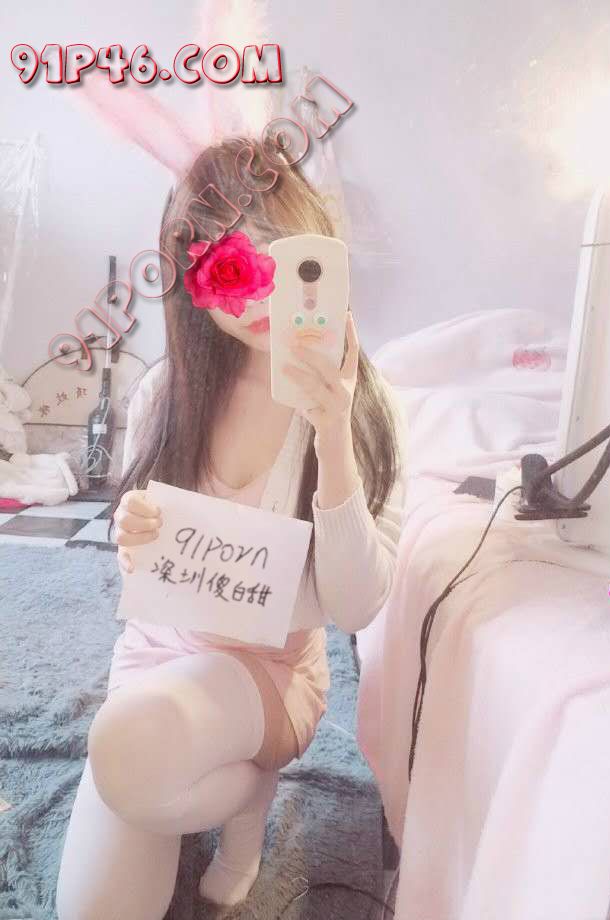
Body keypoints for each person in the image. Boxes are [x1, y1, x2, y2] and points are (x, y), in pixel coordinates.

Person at [56, 136, 406, 920]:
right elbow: (151, 557)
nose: (255, 297)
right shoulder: (166, 393)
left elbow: (355, 608)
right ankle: (238, 792)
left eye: (279, 260)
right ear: (193, 281)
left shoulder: (367, 406)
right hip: (157, 656)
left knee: (129, 749)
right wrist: (132, 535)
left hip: (268, 674)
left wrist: (333, 434)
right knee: (94, 902)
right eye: (228, 270)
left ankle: (239, 803)